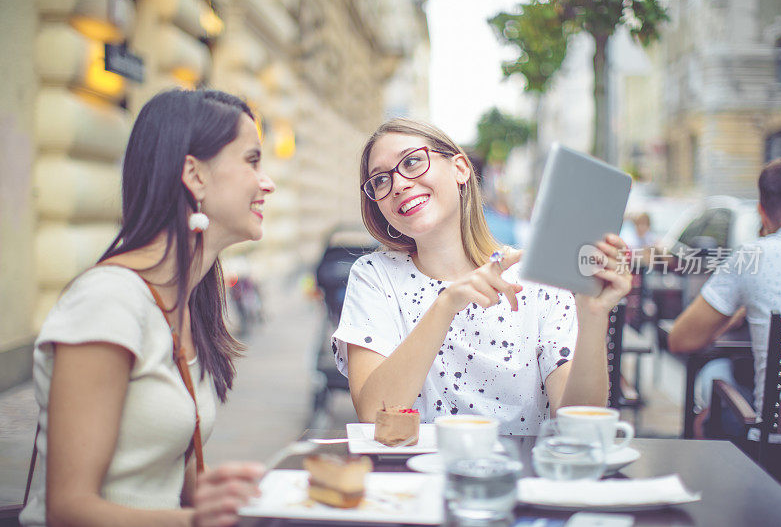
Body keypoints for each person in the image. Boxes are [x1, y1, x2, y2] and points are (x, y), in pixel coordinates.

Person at [20, 89, 275, 527]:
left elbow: (176, 482)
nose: (265, 181)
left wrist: (251, 497)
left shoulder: (188, 303)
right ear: (194, 175)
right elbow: (68, 509)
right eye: (252, 161)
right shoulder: (109, 302)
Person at [332, 118, 631, 434]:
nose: (399, 183)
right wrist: (446, 304)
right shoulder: (375, 277)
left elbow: (579, 423)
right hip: (414, 477)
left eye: (413, 161)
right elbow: (375, 417)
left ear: (460, 168)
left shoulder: (537, 279)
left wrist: (594, 317)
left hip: (523, 476)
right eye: (380, 180)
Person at [669, 157, 781, 485]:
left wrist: (738, 313)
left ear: (762, 211)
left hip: (779, 454)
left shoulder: (753, 257)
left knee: (715, 373)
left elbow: (682, 340)